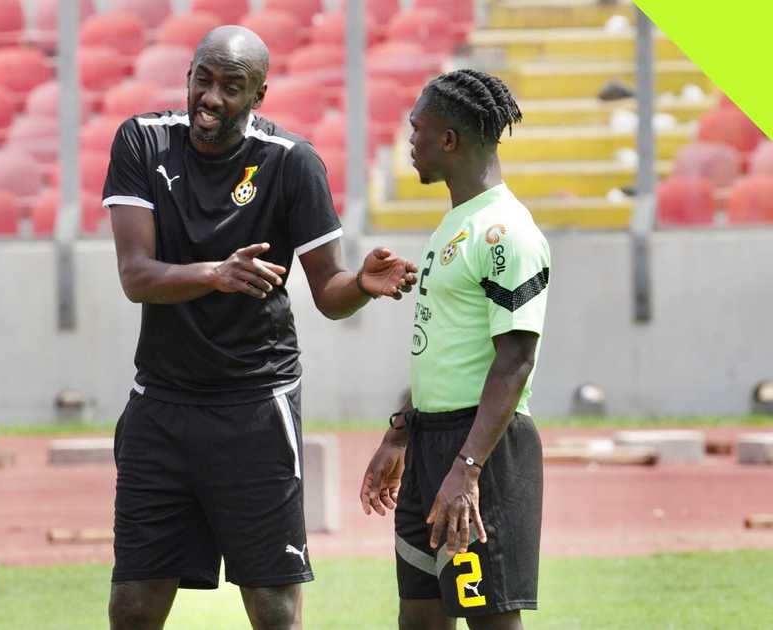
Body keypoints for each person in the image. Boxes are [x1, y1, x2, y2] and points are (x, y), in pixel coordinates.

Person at [102, 25, 419, 630]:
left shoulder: (291, 162)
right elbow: (136, 276)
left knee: (274, 610)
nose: (210, 97)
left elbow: (328, 292)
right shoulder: (142, 140)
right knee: (132, 607)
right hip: (161, 405)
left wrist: (360, 284)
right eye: (203, 80)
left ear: (259, 95)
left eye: (231, 86)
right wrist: (216, 274)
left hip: (256, 406)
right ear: (188, 76)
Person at [359, 69, 550, 630]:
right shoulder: (453, 225)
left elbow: (515, 360)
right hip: (431, 443)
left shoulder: (505, 231)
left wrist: (467, 468)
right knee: (419, 616)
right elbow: (444, 351)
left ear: (448, 139)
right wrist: (400, 432)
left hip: (480, 450)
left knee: (490, 619)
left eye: (417, 128)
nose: (409, 140)